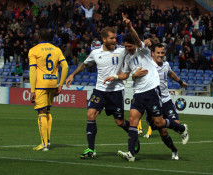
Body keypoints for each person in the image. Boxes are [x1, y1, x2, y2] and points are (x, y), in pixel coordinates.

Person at [104, 16, 189, 162]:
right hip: (139, 94)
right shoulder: (128, 58)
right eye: (126, 46)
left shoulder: (143, 51)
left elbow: (137, 39)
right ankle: (131, 154)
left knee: (159, 124)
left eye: (130, 46)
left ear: (135, 45)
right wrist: (116, 77)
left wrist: (130, 26)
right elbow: (126, 74)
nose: (128, 48)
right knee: (132, 121)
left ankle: (181, 129)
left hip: (151, 91)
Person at [65, 26, 137, 159]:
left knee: (120, 122)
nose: (114, 40)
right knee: (90, 114)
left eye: (115, 38)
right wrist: (72, 75)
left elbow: (136, 47)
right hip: (99, 90)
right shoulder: (95, 53)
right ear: (104, 39)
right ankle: (91, 150)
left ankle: (134, 136)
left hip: (116, 91)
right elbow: (84, 64)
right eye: (111, 38)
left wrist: (146, 42)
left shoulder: (122, 50)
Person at [29, 29, 69, 151]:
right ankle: (48, 141)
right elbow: (65, 66)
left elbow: (33, 71)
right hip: (53, 82)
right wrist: (60, 84)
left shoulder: (34, 50)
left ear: (39, 37)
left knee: (41, 111)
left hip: (41, 84)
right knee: (47, 111)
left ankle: (44, 144)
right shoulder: (56, 49)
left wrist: (32, 90)